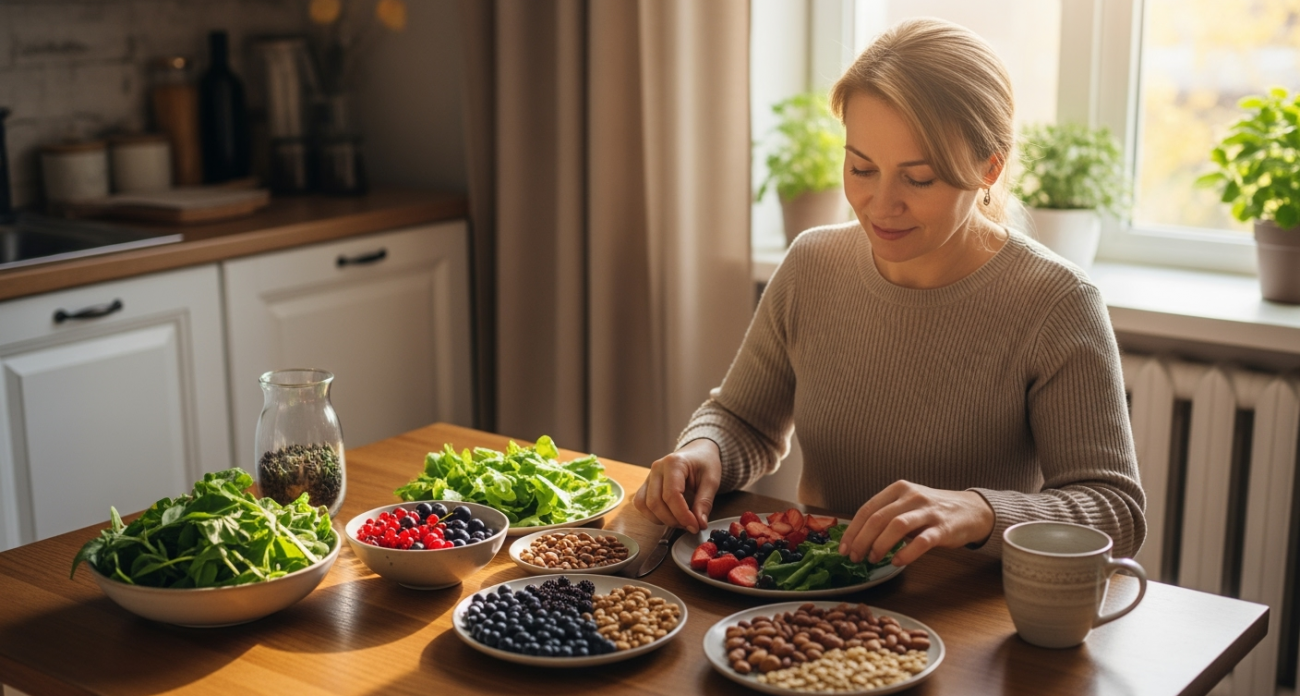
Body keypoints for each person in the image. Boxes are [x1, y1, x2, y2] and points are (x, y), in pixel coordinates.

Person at [632, 17, 1146, 567]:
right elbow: (743, 420)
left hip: (962, 612)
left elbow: (1114, 507)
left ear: (988, 168)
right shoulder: (812, 264)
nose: (880, 204)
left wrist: (978, 512)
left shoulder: (1058, 302)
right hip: (821, 598)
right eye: (861, 168)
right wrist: (700, 451)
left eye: (918, 178)